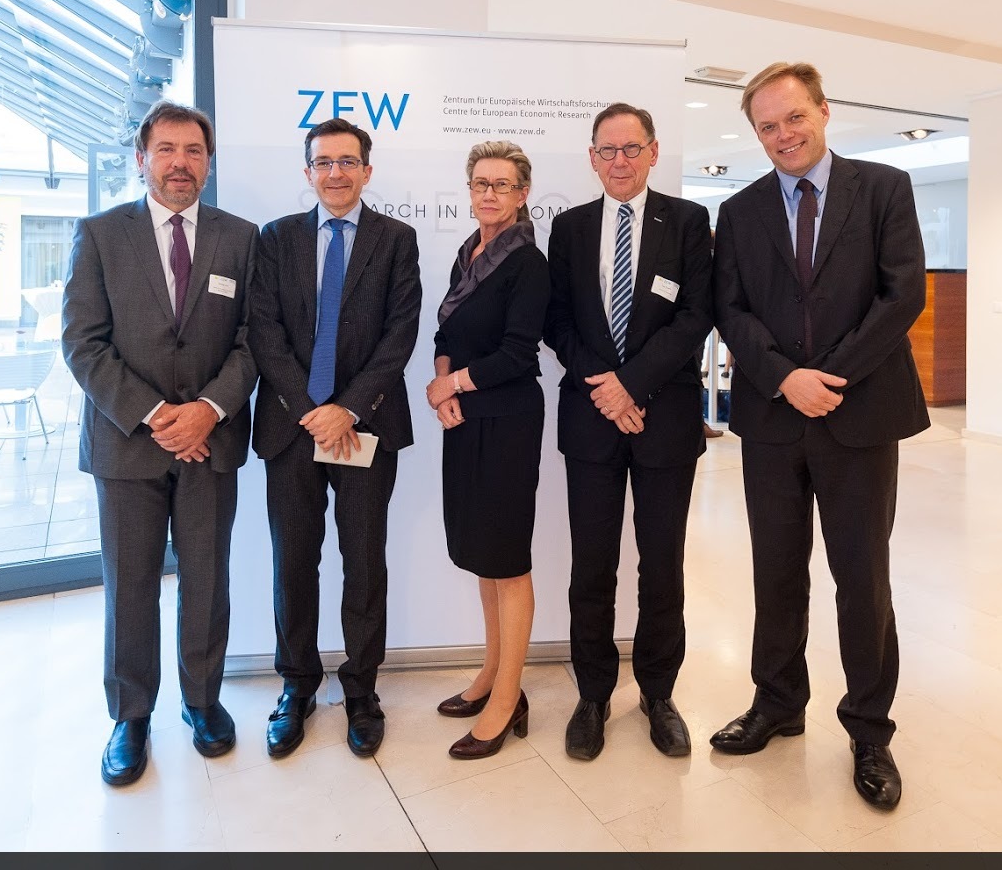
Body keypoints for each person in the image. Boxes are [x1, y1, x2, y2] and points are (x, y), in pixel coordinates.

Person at [709, 62, 929, 811]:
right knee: (775, 572)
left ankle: (868, 730)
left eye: (792, 118)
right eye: (766, 126)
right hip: (772, 419)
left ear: (823, 111)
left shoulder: (883, 189)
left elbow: (903, 295)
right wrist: (782, 377)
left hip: (860, 412)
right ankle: (776, 704)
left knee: (860, 579)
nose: (782, 135)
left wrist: (825, 377)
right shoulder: (738, 212)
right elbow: (730, 309)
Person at [62, 100, 259, 786]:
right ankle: (131, 715)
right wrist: (157, 415)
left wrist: (206, 409)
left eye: (194, 150)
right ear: (141, 157)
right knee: (131, 585)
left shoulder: (240, 237)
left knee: (206, 580)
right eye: (167, 149)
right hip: (127, 445)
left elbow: (251, 341)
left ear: (208, 161)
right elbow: (82, 344)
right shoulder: (99, 234)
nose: (181, 162)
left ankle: (202, 702)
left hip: (213, 441)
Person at [544, 102, 713, 760]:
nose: (618, 160)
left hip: (663, 420)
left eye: (630, 148)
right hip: (590, 420)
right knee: (591, 565)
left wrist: (632, 383)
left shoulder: (688, 221)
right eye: (606, 150)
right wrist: (606, 387)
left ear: (652, 150)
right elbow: (556, 322)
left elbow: (696, 315)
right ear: (591, 157)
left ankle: (657, 691)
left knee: (661, 565)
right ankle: (592, 694)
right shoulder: (569, 226)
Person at [249, 117, 421, 759]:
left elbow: (399, 334)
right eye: (323, 163)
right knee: (294, 562)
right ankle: (296, 684)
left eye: (348, 162)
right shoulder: (276, 239)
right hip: (292, 431)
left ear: (367, 171)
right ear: (308, 173)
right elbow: (263, 329)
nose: (336, 173)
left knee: (363, 562)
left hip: (366, 426)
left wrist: (346, 408)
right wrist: (312, 408)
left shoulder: (397, 240)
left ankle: (361, 689)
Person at [425, 141, 549, 759]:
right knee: (482, 554)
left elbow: (517, 355)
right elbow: (446, 331)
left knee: (509, 559)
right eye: (481, 183)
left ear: (523, 194)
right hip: (467, 417)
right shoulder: (466, 252)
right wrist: (443, 381)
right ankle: (491, 675)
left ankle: (509, 697)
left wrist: (453, 384)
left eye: (502, 185)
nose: (490, 194)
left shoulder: (528, 261)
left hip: (508, 420)